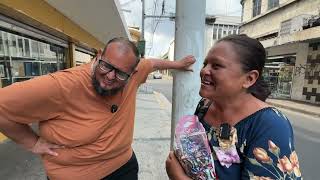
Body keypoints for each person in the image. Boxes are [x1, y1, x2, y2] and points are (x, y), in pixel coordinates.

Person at [0, 37, 195, 180]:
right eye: (106, 66)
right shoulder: (62, 85)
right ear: (98, 56)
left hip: (123, 167)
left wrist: (178, 64)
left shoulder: (133, 74)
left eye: (120, 74)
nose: (110, 76)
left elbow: (151, 63)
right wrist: (32, 143)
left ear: (132, 73)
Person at [166, 34, 302, 180]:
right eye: (205, 64)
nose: (204, 71)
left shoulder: (270, 125)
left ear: (249, 79)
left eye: (216, 66)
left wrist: (179, 178)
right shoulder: (205, 106)